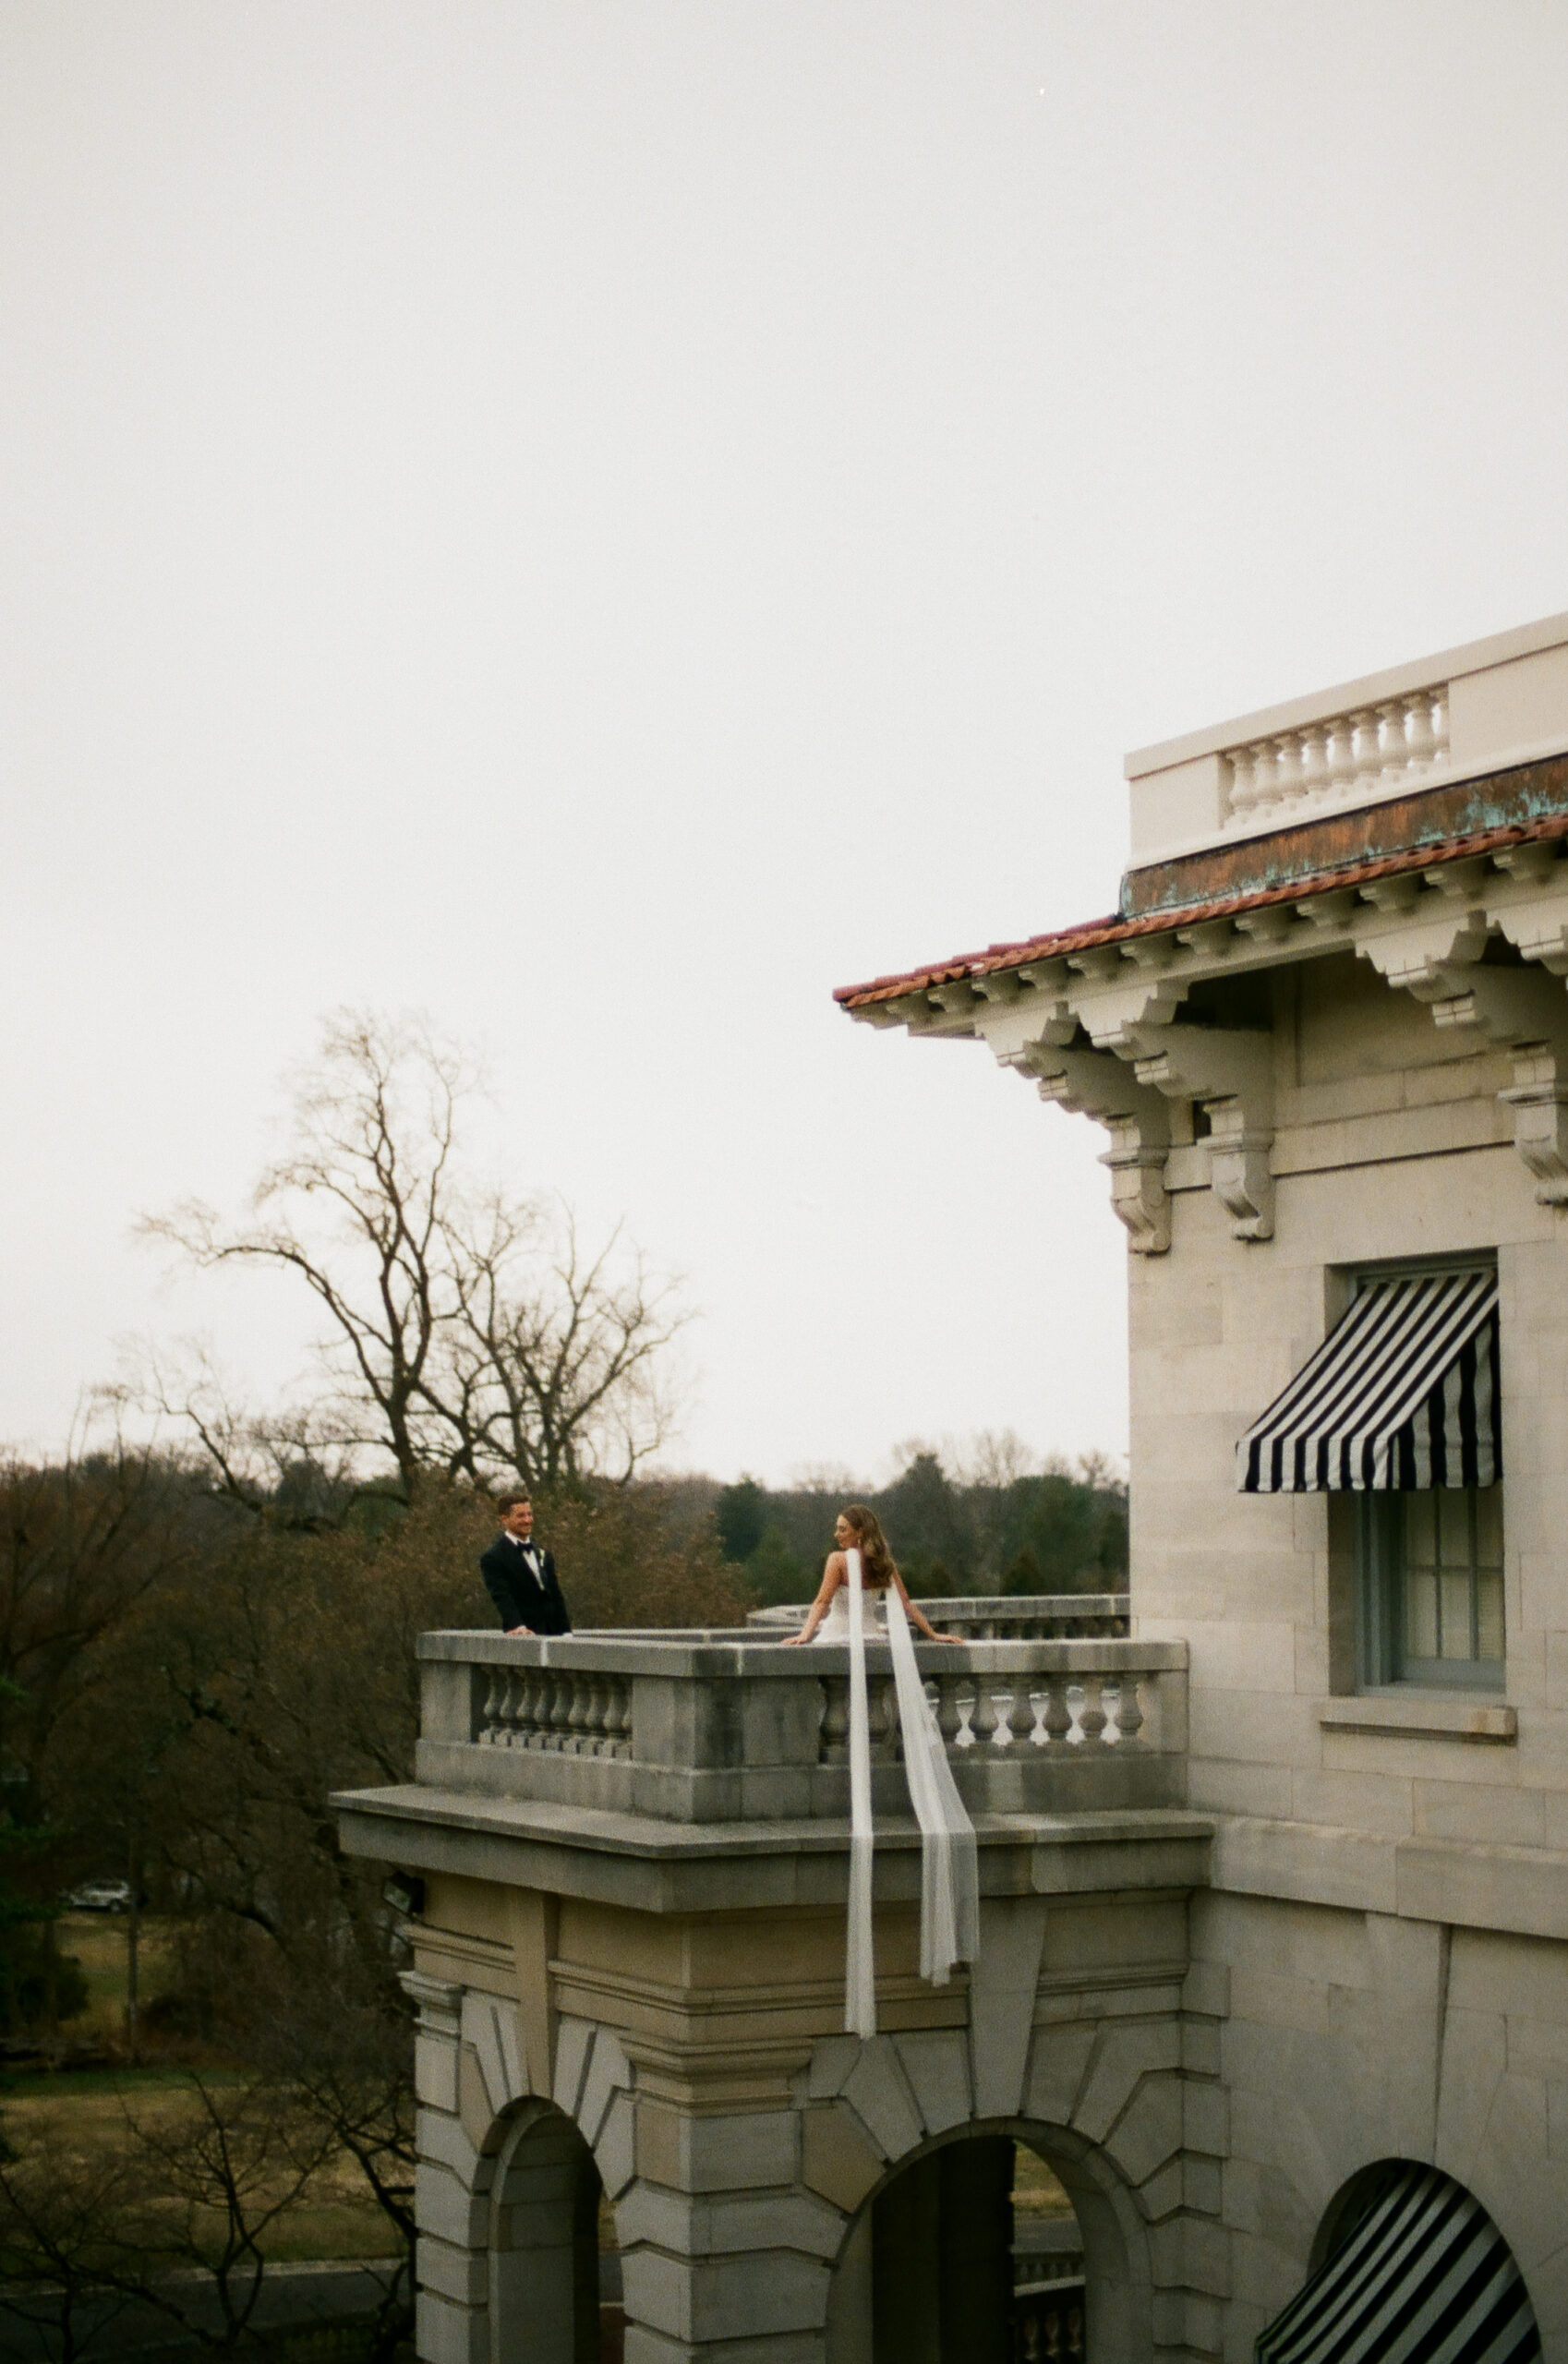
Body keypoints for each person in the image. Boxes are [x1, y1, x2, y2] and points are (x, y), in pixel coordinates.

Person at [783, 1505, 959, 1645]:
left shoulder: (837, 1560)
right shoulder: (883, 1562)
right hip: (872, 1637)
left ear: (860, 1532)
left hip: (837, 1636)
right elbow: (905, 1603)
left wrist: (805, 1635)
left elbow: (822, 1601)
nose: (836, 1534)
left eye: (842, 1529)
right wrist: (933, 1634)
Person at [479, 1492, 572, 1636]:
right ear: (504, 1519)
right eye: (521, 1516)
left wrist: (566, 1631)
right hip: (524, 1636)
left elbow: (556, 1595)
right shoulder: (493, 1557)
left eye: (530, 1514)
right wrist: (518, 1626)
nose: (528, 1520)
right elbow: (502, 1595)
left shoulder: (543, 1553)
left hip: (555, 1635)